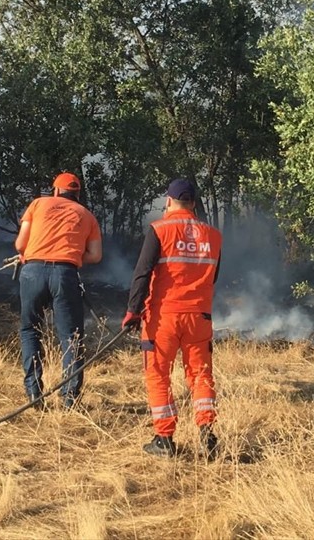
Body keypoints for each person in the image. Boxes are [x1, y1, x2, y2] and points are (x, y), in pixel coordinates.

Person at [123, 178, 223, 459]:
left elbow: (142, 273)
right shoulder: (213, 235)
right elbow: (214, 276)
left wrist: (133, 311)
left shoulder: (160, 229)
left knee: (158, 374)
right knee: (201, 374)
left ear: (168, 201)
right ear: (194, 203)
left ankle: (164, 439)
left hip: (163, 317)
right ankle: (207, 434)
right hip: (199, 316)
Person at [14, 172, 102, 409]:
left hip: (32, 272)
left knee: (30, 330)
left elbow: (21, 245)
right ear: (77, 194)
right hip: (65, 274)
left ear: (54, 191)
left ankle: (34, 393)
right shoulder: (87, 216)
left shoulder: (37, 204)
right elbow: (95, 255)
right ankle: (69, 399)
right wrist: (71, 253)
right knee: (71, 337)